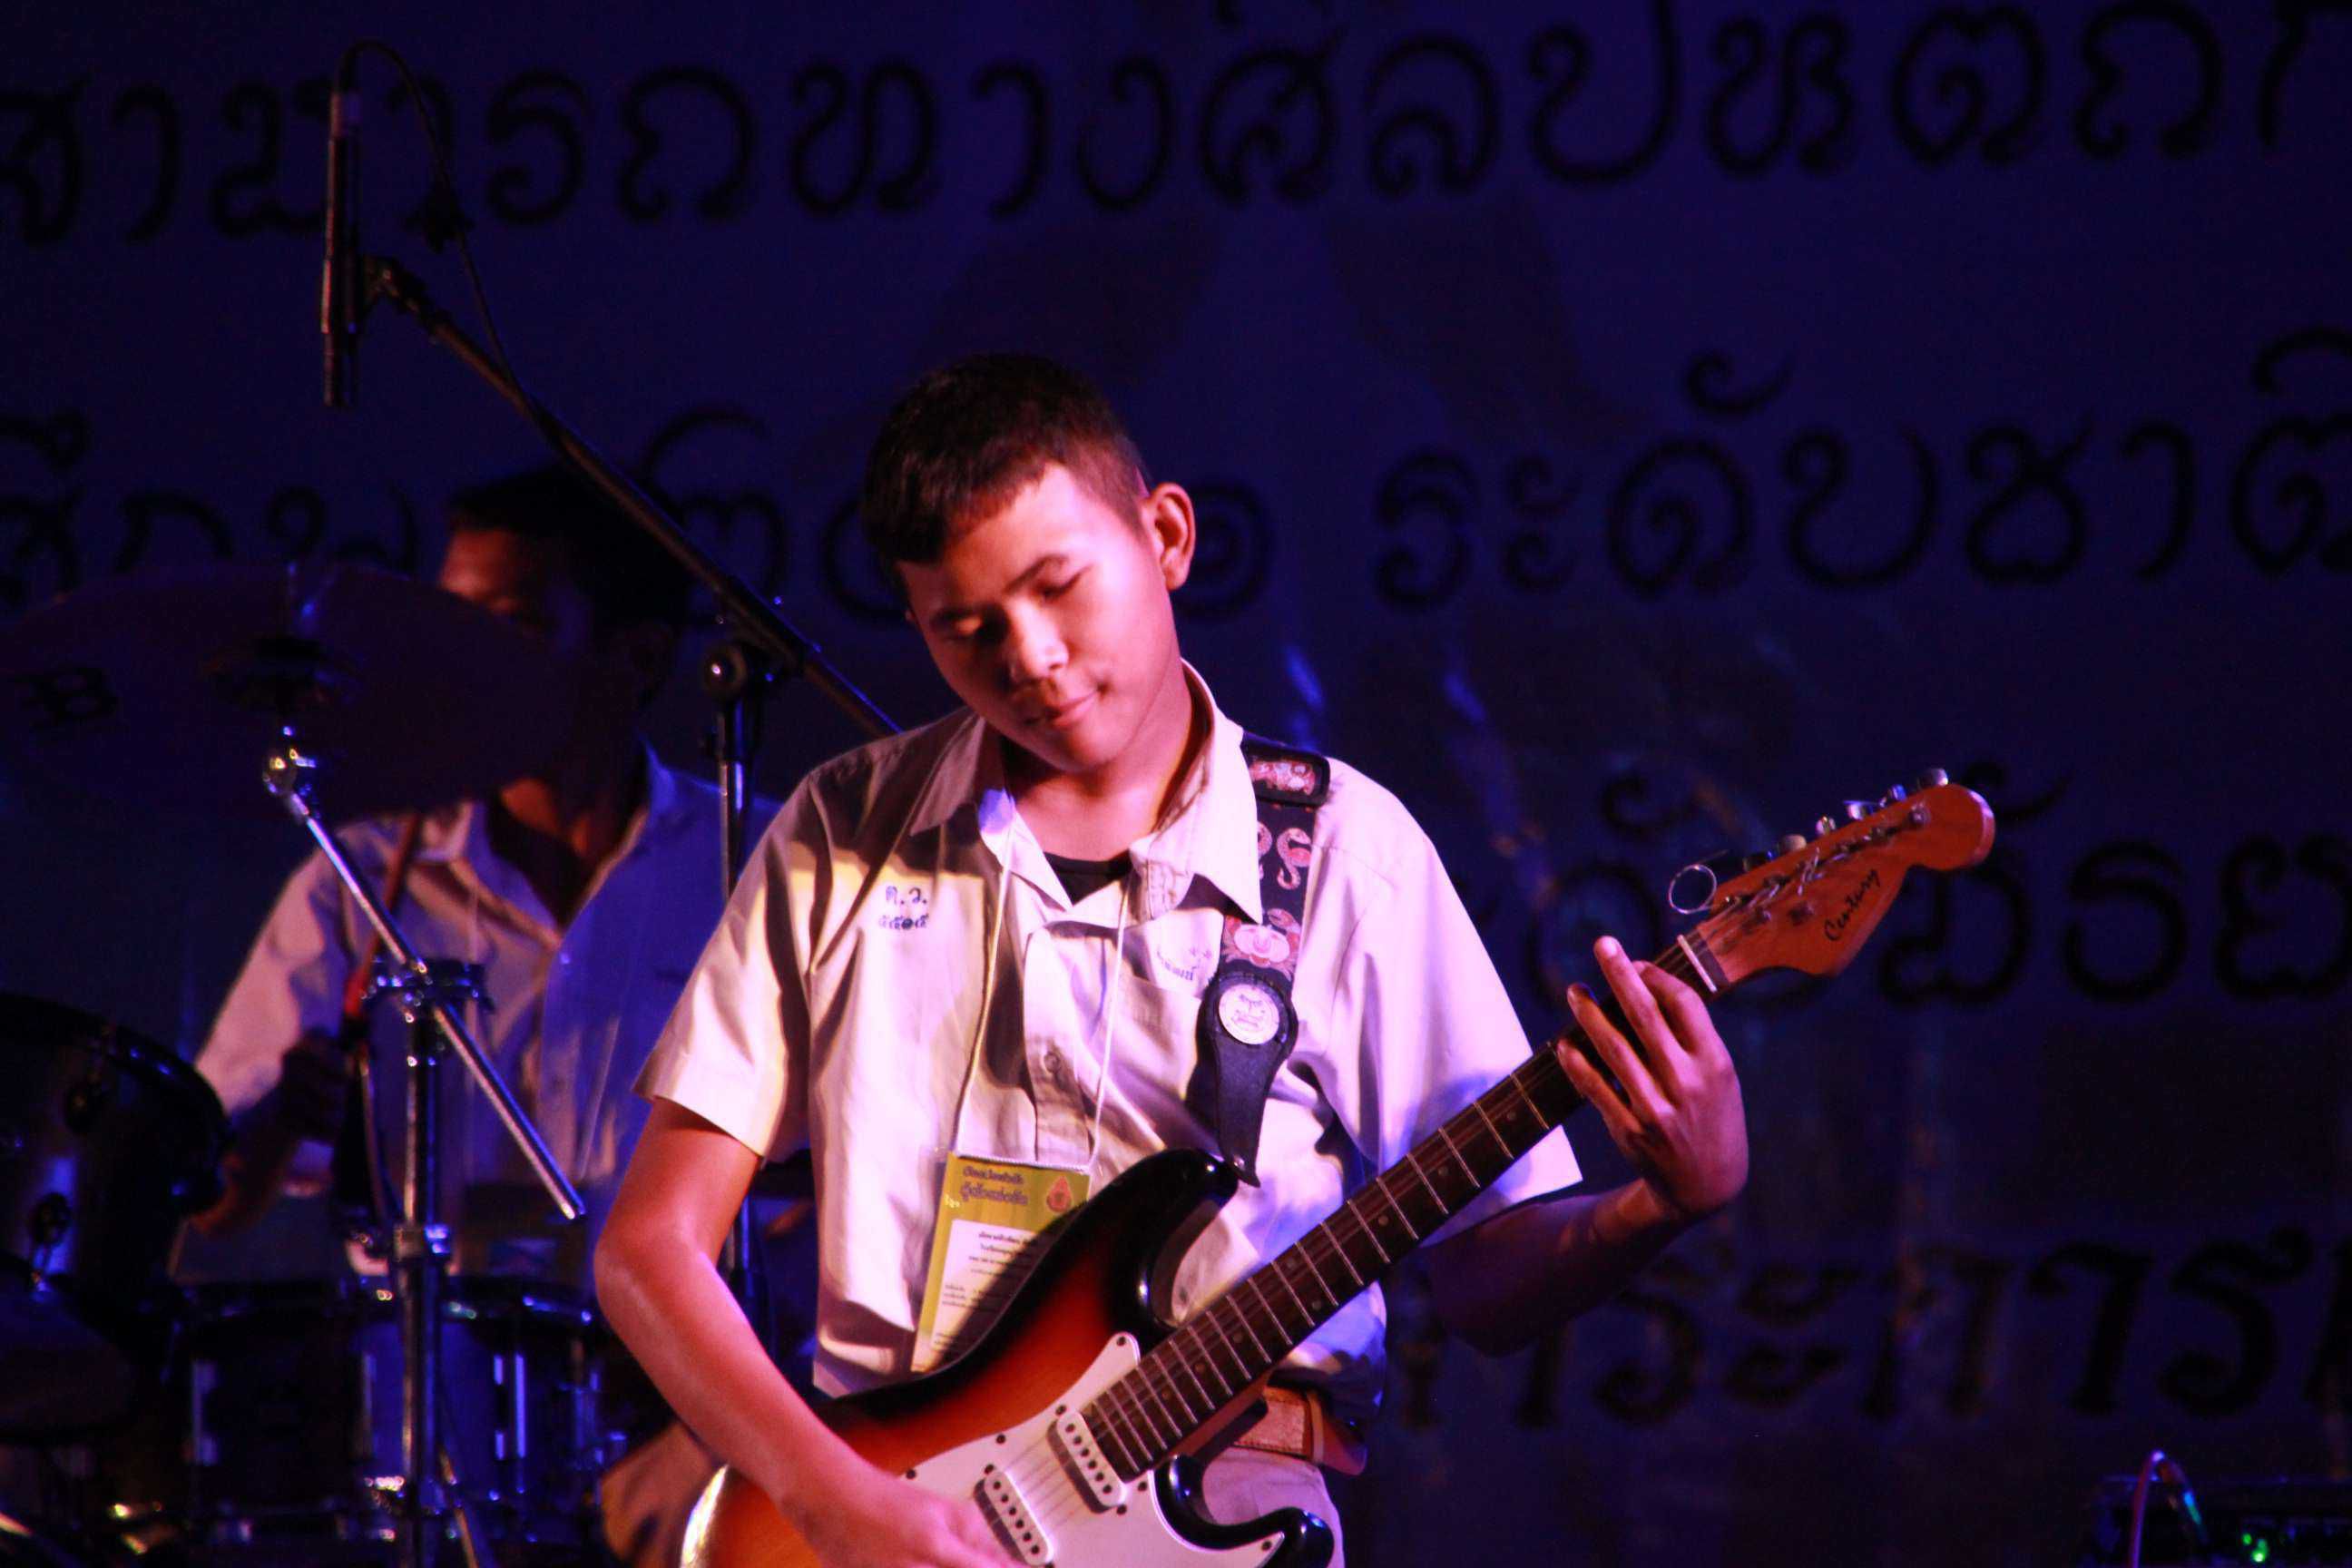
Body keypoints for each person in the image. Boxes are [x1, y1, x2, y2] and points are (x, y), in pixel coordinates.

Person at [594, 355, 1751, 1567]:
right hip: (893, 1521)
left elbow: (1482, 1279)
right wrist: (832, 1499)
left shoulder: (1348, 855)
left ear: (1168, 536)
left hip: (1232, 1504)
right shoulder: (843, 830)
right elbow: (648, 1250)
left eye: (1058, 587)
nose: (1029, 656)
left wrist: (1663, 1203)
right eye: (967, 628)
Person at [189, 463, 754, 1565]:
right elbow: (212, 1199)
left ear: (636, 656)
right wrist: (285, 1118)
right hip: (422, 1424)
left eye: (514, 624)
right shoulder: (363, 879)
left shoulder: (749, 862)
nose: (467, 660)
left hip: (683, 1418)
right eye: (455, 623)